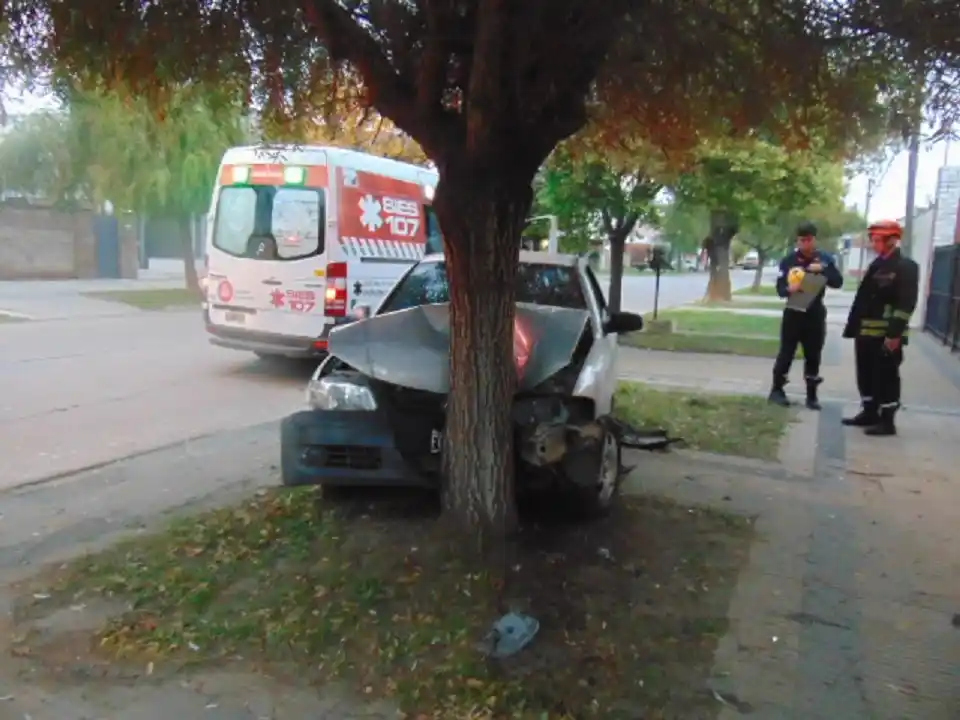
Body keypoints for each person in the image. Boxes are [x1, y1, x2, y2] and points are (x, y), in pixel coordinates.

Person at [841, 219, 919, 436]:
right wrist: (853, 327)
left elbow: (906, 303)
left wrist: (894, 334)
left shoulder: (906, 267)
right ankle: (869, 412)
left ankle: (887, 421)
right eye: (873, 239)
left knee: (886, 377)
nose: (873, 244)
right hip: (865, 333)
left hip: (886, 335)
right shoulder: (877, 265)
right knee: (865, 374)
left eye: (877, 240)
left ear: (892, 240)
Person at [768, 222, 844, 409]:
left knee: (813, 354)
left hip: (814, 312)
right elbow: (779, 289)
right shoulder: (789, 260)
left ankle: (812, 395)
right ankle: (777, 390)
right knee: (786, 352)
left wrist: (824, 270)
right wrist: (788, 289)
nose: (805, 243)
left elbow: (838, 282)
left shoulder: (825, 258)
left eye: (808, 239)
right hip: (794, 311)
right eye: (801, 240)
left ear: (814, 239)